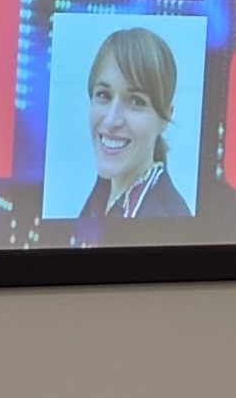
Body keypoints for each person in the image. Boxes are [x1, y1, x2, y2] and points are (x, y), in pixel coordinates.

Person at [74, 25, 192, 238]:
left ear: (165, 116)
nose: (111, 120)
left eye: (136, 101)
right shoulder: (100, 195)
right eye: (103, 95)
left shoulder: (171, 222)